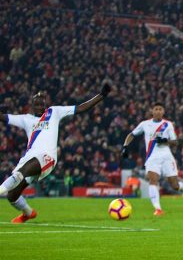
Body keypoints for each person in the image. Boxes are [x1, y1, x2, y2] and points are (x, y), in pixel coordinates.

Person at [0, 84, 111, 223]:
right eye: (37, 103)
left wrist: (101, 95)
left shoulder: (54, 112)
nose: (40, 106)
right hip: (29, 158)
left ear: (45, 104)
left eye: (42, 103)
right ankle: (28, 213)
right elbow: (4, 118)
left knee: (19, 174)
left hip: (47, 158)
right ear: (32, 105)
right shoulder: (26, 119)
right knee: (12, 195)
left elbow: (81, 108)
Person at [121, 102, 183, 216]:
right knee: (153, 180)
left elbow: (175, 142)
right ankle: (158, 209)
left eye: (160, 109)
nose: (158, 111)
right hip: (152, 158)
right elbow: (131, 135)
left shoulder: (168, 124)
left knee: (174, 185)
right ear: (152, 111)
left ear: (163, 111)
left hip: (167, 157)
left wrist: (165, 141)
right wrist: (125, 147)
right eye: (156, 109)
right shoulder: (145, 124)